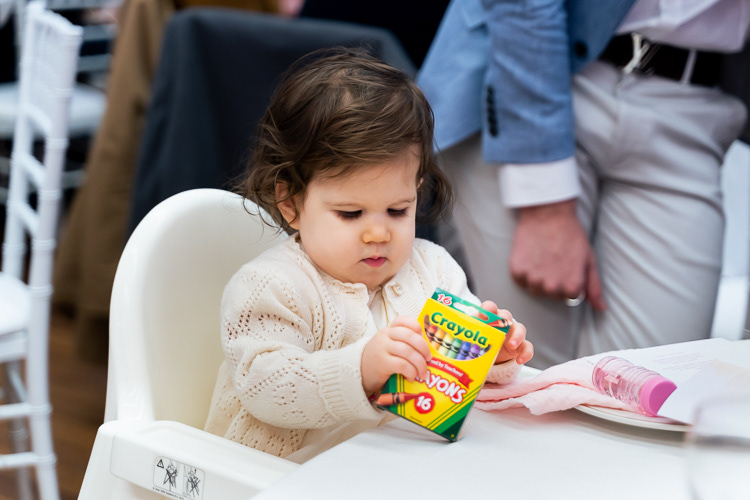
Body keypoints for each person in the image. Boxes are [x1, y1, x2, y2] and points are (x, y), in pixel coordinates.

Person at [203, 48, 533, 462]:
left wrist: (490, 358)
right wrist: (360, 370)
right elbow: (265, 387)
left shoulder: (433, 270)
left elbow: (453, 384)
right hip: (276, 476)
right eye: (351, 214)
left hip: (395, 468)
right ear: (290, 203)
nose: (378, 233)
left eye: (397, 210)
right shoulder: (271, 286)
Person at [417, 0, 750, 368]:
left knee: (653, 379)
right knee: (523, 370)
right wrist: (545, 204)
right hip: (526, 71)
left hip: (692, 108)